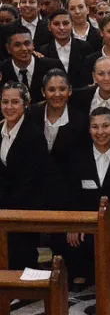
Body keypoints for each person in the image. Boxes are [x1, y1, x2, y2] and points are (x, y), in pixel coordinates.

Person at [64, 107, 110, 291]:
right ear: (89, 130)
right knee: (73, 242)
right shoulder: (77, 158)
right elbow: (72, 195)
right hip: (85, 224)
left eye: (105, 126)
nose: (100, 132)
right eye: (94, 127)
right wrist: (75, 224)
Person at [0, 82, 49, 269]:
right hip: (5, 203)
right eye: (5, 102)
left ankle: (24, 292)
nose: (9, 107)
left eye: (15, 102)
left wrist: (6, 207)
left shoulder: (33, 134)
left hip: (25, 205)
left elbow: (32, 179)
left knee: (21, 253)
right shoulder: (1, 130)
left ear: (25, 104)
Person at [25, 68, 88, 209]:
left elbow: (81, 165)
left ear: (70, 91)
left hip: (66, 195)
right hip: (31, 195)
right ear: (43, 92)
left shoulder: (80, 120)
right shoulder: (31, 115)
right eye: (51, 89)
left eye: (62, 89)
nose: (57, 94)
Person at [0, 25, 63, 103]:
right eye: (17, 45)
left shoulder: (52, 66)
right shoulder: (2, 69)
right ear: (8, 49)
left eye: (27, 43)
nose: (24, 48)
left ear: (33, 44)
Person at [40, 7, 93, 88]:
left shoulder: (85, 47)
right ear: (49, 27)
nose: (61, 28)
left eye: (65, 23)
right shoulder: (43, 51)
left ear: (72, 24)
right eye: (56, 24)